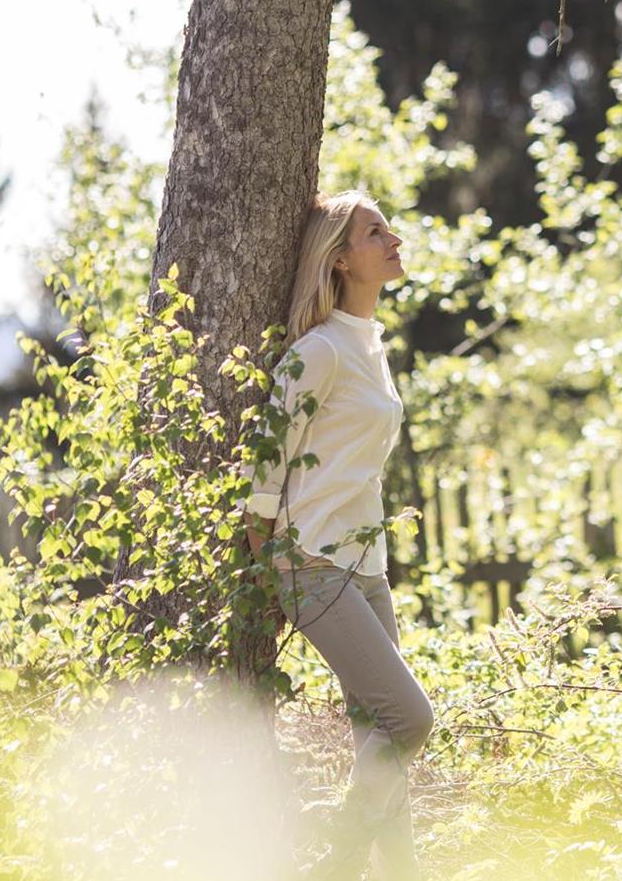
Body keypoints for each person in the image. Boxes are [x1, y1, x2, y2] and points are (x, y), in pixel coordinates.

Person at [242, 190, 433, 880]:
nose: (393, 239)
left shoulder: (368, 345)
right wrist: (274, 563)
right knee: (410, 721)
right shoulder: (318, 352)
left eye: (389, 229)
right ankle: (335, 866)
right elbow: (266, 460)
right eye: (375, 232)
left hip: (366, 565)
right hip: (313, 564)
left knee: (380, 746)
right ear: (342, 258)